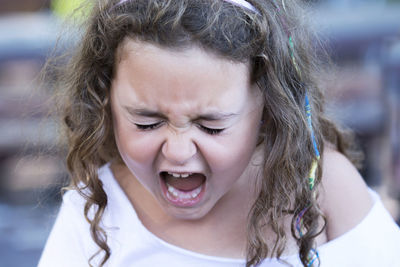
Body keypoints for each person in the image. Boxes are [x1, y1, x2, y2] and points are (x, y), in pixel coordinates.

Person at [38, 0, 400, 266]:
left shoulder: (322, 188)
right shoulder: (95, 214)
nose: (179, 152)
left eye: (211, 126)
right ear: (105, 100)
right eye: (146, 122)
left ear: (269, 111)